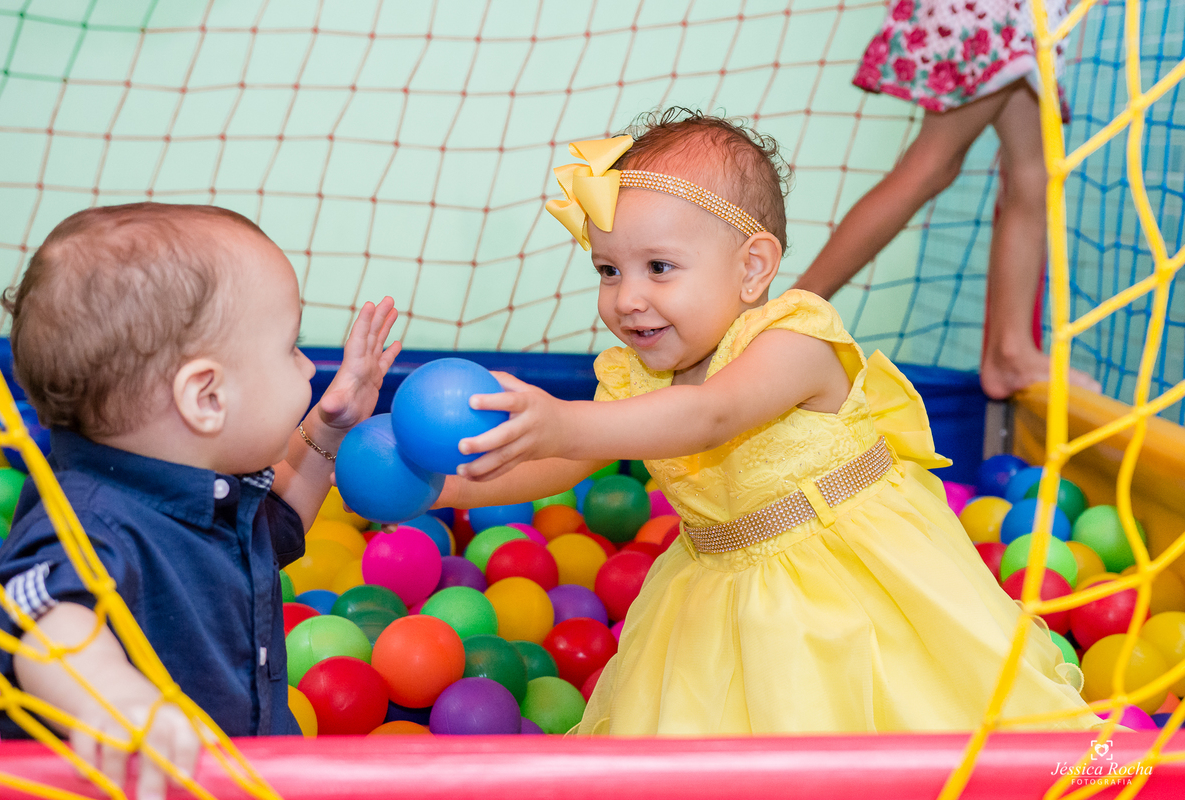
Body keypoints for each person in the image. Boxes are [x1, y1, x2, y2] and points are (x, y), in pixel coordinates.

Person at [439, 109, 1100, 734]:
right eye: (609, 270)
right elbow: (561, 463)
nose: (628, 297)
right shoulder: (636, 376)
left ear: (753, 267)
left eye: (659, 268)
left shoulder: (794, 340)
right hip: (716, 596)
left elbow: (710, 415)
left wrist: (562, 422)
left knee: (888, 727)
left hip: (851, 584)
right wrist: (448, 488)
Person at [0, 203, 401, 798]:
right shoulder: (90, 516)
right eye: (291, 347)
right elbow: (38, 615)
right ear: (205, 397)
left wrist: (331, 428)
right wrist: (120, 702)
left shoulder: (208, 490)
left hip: (238, 776)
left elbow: (282, 519)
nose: (309, 365)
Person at [790, 0, 1100, 400]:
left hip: (1026, 17)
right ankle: (792, 309)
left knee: (1033, 174)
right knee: (934, 162)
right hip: (1008, 13)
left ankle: (1011, 350)